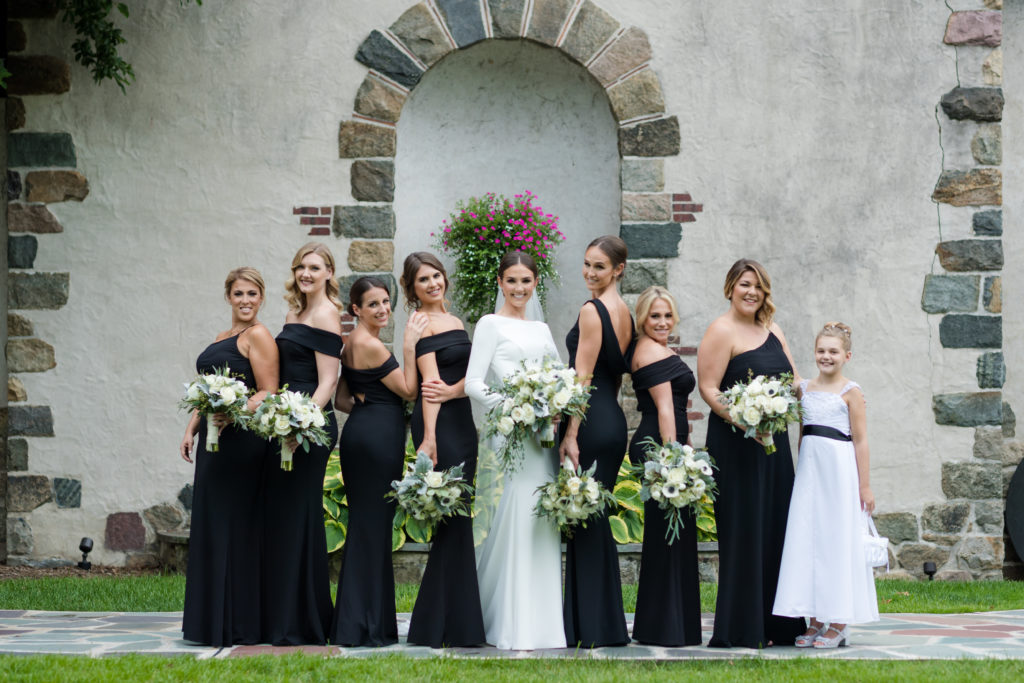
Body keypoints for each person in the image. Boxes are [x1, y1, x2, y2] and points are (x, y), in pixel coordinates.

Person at [697, 258, 805, 649]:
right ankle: (742, 627)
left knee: (777, 527)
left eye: (758, 286)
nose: (751, 292)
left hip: (773, 446)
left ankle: (780, 626)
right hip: (737, 445)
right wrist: (746, 421)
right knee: (744, 530)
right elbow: (708, 388)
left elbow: (793, 382)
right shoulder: (720, 330)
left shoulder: (772, 329)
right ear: (731, 287)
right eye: (744, 284)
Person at [466, 251, 566, 650]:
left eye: (526, 281)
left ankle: (543, 624)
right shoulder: (490, 324)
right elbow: (475, 382)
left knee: (540, 517)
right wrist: (515, 408)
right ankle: (505, 621)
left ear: (535, 283)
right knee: (512, 514)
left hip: (542, 439)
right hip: (509, 433)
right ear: (500, 282)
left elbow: (561, 376)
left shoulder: (541, 329)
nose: (519, 288)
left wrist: (556, 404)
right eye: (512, 281)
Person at [180, 267, 278, 646]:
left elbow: (268, 390)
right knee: (211, 524)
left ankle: (239, 623)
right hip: (212, 441)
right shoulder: (223, 337)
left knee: (237, 525)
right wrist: (191, 427)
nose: (246, 301)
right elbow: (206, 393)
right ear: (228, 297)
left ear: (261, 297)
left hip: (243, 443)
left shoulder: (260, 336)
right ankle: (209, 621)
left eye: (253, 294)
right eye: (239, 294)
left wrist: (235, 411)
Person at [330, 276, 426, 647]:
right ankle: (363, 627)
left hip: (361, 434)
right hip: (377, 442)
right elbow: (409, 389)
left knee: (366, 529)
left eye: (386, 302)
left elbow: (342, 400)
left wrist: (372, 409)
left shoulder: (350, 344)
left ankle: (362, 623)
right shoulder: (370, 344)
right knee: (372, 531)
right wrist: (408, 345)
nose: (383, 309)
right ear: (355, 309)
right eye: (373, 304)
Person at [773, 322, 879, 648]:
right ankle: (816, 619)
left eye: (833, 351)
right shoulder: (805, 389)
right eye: (821, 350)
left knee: (836, 541)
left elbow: (860, 441)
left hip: (840, 472)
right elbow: (804, 432)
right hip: (811, 473)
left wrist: (865, 487)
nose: (826, 356)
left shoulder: (851, 392)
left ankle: (839, 622)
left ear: (847, 356)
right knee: (810, 540)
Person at [401, 252, 486, 648]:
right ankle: (439, 624)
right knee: (451, 516)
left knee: (459, 516)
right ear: (412, 288)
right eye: (423, 280)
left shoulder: (455, 321)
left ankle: (456, 620)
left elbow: (468, 374)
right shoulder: (420, 323)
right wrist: (429, 438)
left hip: (463, 422)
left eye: (436, 276)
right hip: (439, 424)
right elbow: (431, 386)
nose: (433, 283)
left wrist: (460, 389)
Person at [263, 242, 343, 645]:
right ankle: (282, 613)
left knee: (301, 516)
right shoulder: (294, 311)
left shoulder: (329, 314)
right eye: (301, 268)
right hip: (284, 422)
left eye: (315, 267)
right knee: (284, 518)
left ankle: (304, 620)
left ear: (329, 272)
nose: (306, 274)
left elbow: (328, 380)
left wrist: (300, 425)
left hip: (310, 426)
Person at [559, 235, 634, 648]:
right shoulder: (624, 312)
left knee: (585, 519)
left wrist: (570, 434)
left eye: (599, 267)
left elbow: (582, 380)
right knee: (595, 517)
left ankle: (590, 626)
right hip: (613, 422)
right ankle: (602, 624)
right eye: (587, 264)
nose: (590, 273)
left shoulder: (592, 310)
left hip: (589, 422)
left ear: (618, 269)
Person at [628, 287, 702, 647]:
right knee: (667, 537)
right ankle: (665, 628)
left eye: (667, 315)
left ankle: (674, 625)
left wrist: (685, 448)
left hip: (670, 446)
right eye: (654, 316)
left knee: (675, 537)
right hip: (658, 447)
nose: (662, 322)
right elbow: (665, 410)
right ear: (642, 318)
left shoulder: (661, 348)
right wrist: (674, 458)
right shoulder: (649, 350)